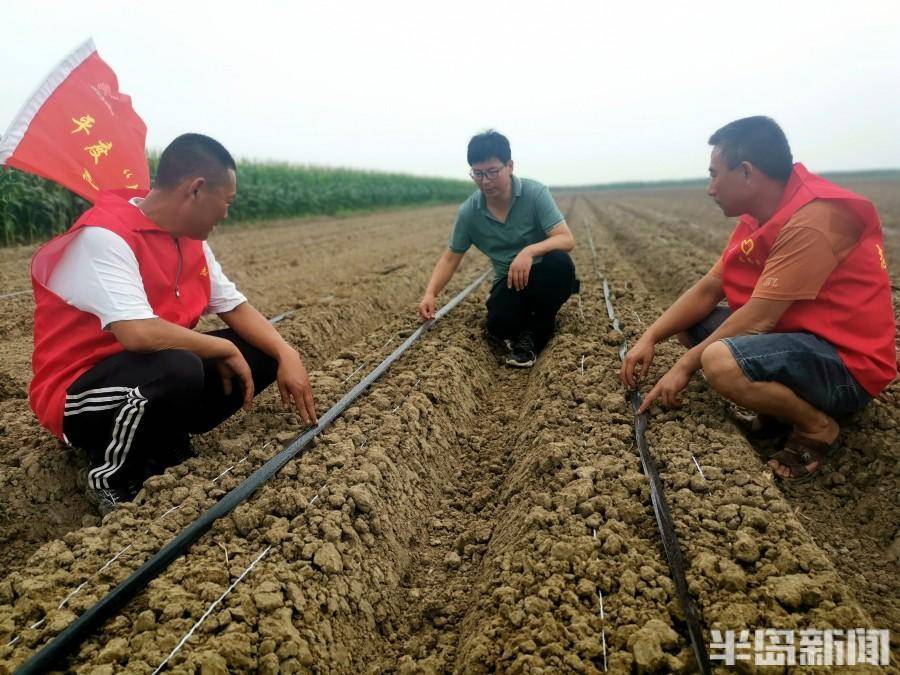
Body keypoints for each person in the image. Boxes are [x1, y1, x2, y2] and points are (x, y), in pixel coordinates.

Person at [29, 133, 318, 513]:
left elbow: (235, 306)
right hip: (78, 395)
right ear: (196, 189)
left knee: (258, 353)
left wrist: (285, 353)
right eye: (226, 202)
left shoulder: (190, 241)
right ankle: (110, 475)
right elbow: (138, 333)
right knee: (179, 364)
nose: (226, 214)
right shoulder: (105, 237)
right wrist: (220, 347)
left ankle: (163, 439)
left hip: (142, 375)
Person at [620, 116, 896, 482]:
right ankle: (776, 410)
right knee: (695, 328)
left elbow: (761, 317)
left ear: (747, 172)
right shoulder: (762, 215)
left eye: (715, 174)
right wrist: (650, 337)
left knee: (718, 360)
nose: (710, 188)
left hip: (846, 365)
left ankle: (817, 428)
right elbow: (711, 286)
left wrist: (685, 366)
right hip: (802, 339)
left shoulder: (814, 218)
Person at [418, 130, 578, 367]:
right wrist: (430, 293)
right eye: (478, 173)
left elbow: (566, 239)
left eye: (493, 172)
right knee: (497, 324)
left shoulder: (535, 193)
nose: (485, 181)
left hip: (543, 273)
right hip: (510, 281)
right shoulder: (470, 212)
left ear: (510, 166)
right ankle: (532, 324)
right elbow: (451, 258)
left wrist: (528, 252)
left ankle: (535, 333)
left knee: (560, 264)